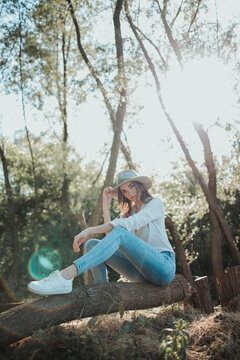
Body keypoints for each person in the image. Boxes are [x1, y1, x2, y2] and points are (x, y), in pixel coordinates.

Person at [28, 169, 175, 295]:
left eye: (132, 186)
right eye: (124, 190)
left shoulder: (155, 204)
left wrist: (90, 230)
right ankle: (102, 293)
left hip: (163, 267)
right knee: (92, 244)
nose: (129, 193)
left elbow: (126, 227)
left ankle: (66, 275)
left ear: (140, 186)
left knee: (118, 231)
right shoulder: (130, 213)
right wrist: (106, 204)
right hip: (141, 272)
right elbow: (110, 239)